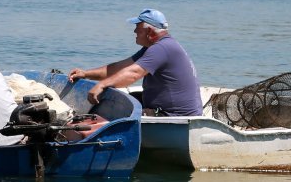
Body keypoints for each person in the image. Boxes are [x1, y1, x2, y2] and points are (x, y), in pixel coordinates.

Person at [69, 9, 203, 116]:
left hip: (174, 115)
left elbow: (132, 74)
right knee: (115, 98)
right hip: (166, 109)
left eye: (138, 28)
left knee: (116, 106)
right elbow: (119, 68)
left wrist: (102, 85)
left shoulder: (161, 48)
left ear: (149, 31)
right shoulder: (155, 47)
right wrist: (86, 74)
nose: (134, 31)